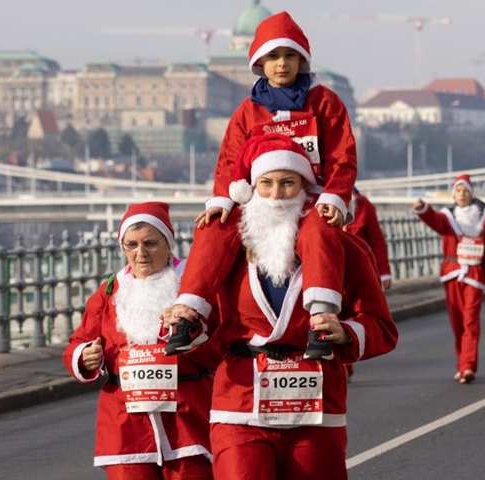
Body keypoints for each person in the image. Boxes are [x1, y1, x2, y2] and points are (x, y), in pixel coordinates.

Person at [168, 134, 398, 480]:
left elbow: (382, 328)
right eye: (266, 183)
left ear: (306, 188)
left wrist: (346, 333)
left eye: (288, 183)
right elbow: (208, 334)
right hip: (240, 403)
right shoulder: (227, 253)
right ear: (251, 189)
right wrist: (186, 329)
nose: (276, 195)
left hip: (315, 407)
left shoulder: (345, 249)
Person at [170, 10, 358, 361]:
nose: (282, 64)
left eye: (289, 56)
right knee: (214, 228)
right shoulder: (247, 109)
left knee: (319, 234)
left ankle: (321, 316)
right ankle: (190, 314)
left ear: (301, 59)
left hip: (308, 200)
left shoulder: (325, 102)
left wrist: (335, 195)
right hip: (257, 198)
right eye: (272, 57)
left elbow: (342, 155)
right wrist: (223, 200)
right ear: (259, 62)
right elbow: (229, 159)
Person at [63, 202, 217, 479]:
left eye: (150, 244)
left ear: (168, 243)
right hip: (125, 423)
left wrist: (193, 335)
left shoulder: (194, 285)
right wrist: (85, 356)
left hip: (186, 417)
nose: (140, 254)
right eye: (131, 245)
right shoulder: (110, 290)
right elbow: (78, 342)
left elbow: (222, 341)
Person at [413, 174, 485, 384]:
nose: (462, 195)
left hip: (474, 274)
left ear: (472, 193)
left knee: (471, 320)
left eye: (465, 191)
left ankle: (468, 366)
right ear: (454, 194)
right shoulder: (448, 216)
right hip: (453, 271)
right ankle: (461, 363)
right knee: (457, 321)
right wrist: (423, 209)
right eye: (458, 191)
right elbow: (435, 222)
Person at [344, 187, 392, 290]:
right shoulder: (317, 199)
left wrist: (384, 272)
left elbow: (377, 241)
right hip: (330, 272)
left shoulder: (364, 205)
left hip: (359, 272)